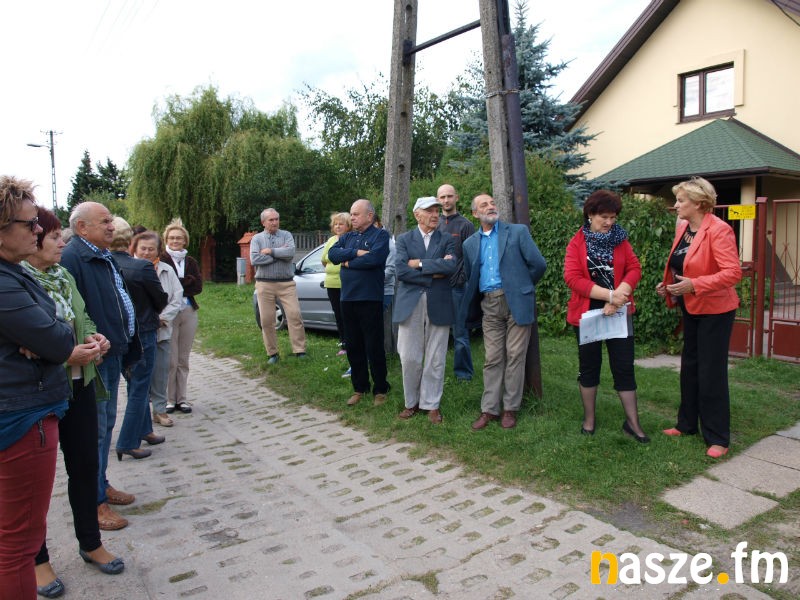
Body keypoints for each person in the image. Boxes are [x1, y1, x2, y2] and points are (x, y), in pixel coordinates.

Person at [23, 207, 123, 597]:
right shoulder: (17, 281)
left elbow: (82, 318)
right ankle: (37, 561)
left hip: (80, 385)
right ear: (32, 242)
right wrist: (66, 353)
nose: (61, 243)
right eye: (53, 237)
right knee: (36, 485)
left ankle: (90, 543)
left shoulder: (63, 276)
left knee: (84, 466)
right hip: (39, 394)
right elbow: (26, 342)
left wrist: (96, 338)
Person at [0, 176, 74, 599]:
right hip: (21, 418)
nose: (39, 230)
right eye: (29, 223)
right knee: (18, 545)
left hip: (22, 408)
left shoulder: (13, 273)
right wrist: (49, 338)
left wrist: (46, 336)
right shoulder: (5, 282)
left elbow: (53, 331)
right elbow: (60, 340)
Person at [61, 201, 138, 531]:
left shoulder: (102, 255)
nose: (111, 226)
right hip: (96, 357)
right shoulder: (73, 258)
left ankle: (101, 484)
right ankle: (94, 502)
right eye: (104, 221)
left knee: (105, 424)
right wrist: (92, 342)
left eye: (111, 221)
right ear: (82, 227)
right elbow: (74, 312)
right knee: (94, 430)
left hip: (112, 351)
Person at [657, 177, 741, 458]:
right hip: (690, 306)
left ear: (698, 203)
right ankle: (686, 424)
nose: (676, 205)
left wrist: (694, 285)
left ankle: (718, 437)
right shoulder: (683, 227)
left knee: (711, 372)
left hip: (716, 310)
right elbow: (680, 263)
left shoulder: (719, 230)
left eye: (681, 201)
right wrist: (669, 285)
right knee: (690, 366)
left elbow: (732, 273)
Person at [563, 190, 649, 443]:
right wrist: (609, 296)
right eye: (604, 217)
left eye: (613, 217)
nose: (609, 222)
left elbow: (634, 268)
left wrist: (619, 295)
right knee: (589, 367)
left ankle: (633, 423)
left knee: (624, 366)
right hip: (588, 313)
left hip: (619, 312)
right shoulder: (576, 243)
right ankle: (589, 420)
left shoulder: (620, 240)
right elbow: (572, 278)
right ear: (590, 215)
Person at [462, 194, 547, 430]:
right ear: (475, 214)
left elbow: (539, 264)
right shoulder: (469, 244)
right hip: (489, 304)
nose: (490, 207)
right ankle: (489, 409)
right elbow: (471, 274)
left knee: (515, 355)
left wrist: (522, 287)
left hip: (517, 301)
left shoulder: (517, 232)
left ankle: (510, 409)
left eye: (492, 203)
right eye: (484, 205)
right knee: (492, 357)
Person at [394, 197, 456, 424]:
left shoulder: (446, 238)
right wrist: (434, 272)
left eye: (437, 210)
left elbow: (451, 266)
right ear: (417, 214)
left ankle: (431, 404)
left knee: (436, 356)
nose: (435, 214)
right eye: (429, 210)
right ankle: (411, 402)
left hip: (439, 302)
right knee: (409, 356)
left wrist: (419, 264)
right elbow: (401, 271)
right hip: (410, 303)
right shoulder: (404, 239)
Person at [110, 217, 168, 460]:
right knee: (140, 387)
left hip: (116, 333)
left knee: (134, 383)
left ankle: (145, 429)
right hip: (143, 331)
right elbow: (160, 299)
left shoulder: (104, 264)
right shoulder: (141, 267)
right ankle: (127, 441)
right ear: (130, 240)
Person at [328, 199, 391, 407]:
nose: (352, 218)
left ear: (369, 216)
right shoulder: (347, 237)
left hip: (370, 298)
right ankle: (359, 387)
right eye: (352, 214)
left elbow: (374, 260)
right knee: (353, 345)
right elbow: (332, 255)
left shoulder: (380, 235)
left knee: (374, 346)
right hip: (347, 298)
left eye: (356, 214)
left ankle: (380, 389)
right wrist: (354, 253)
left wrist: (347, 263)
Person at [132, 230, 183, 428]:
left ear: (158, 251)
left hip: (161, 330)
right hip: (138, 332)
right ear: (135, 249)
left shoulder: (166, 270)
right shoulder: (128, 268)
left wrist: (162, 318)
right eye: (143, 248)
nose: (146, 252)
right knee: (139, 373)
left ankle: (159, 410)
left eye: (151, 249)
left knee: (161, 372)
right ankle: (140, 413)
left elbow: (176, 297)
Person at [250, 208, 307, 365]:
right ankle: (272, 353)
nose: (275, 222)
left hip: (286, 283)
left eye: (276, 219)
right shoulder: (257, 239)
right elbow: (255, 259)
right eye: (271, 220)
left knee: (294, 315)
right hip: (264, 284)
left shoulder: (286, 235)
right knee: (267, 320)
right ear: (263, 222)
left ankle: (300, 350)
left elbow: (290, 253)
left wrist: (270, 252)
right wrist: (279, 255)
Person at [160, 218, 202, 414]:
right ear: (166, 240)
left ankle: (182, 399)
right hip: (168, 312)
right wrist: (186, 281)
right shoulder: (161, 259)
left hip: (188, 311)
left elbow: (198, 286)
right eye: (172, 238)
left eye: (179, 238)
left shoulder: (191, 261)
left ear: (185, 240)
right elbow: (164, 288)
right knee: (171, 359)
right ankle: (169, 399)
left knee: (183, 359)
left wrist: (178, 283)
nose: (175, 241)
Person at [437, 183, 476, 382]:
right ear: (438, 200)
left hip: (457, 287)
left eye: (449, 196)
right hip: (436, 288)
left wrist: (462, 279)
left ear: (456, 198)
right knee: (436, 334)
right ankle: (436, 373)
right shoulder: (434, 223)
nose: (446, 200)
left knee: (460, 334)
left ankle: (463, 375)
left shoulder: (465, 225)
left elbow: (472, 257)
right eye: (442, 197)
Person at [321, 212, 351, 357]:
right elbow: (323, 259)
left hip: (346, 283)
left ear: (348, 226)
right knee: (338, 315)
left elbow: (349, 258)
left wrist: (335, 260)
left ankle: (352, 344)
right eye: (335, 224)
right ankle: (343, 344)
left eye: (341, 224)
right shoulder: (331, 240)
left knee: (348, 315)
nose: (338, 227)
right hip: (331, 283)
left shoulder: (351, 239)